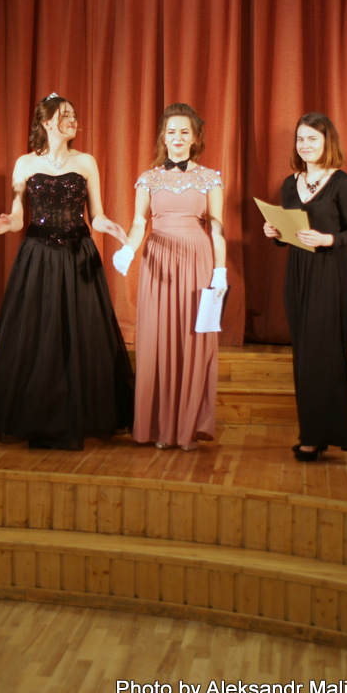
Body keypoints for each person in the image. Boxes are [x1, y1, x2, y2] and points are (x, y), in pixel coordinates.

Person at [0, 93, 134, 449]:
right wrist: (10, 222)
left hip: (78, 255)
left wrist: (108, 227)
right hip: (38, 256)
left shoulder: (86, 162)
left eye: (74, 115)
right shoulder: (25, 164)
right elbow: (19, 215)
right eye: (65, 115)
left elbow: (97, 215)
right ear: (46, 123)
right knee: (39, 335)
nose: (73, 120)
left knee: (80, 334)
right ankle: (38, 417)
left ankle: (78, 416)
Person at [111, 103, 227, 450]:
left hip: (197, 257)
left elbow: (217, 226)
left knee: (194, 339)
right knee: (157, 338)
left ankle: (187, 427)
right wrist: (128, 250)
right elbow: (138, 223)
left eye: (184, 132)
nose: (177, 137)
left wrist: (220, 270)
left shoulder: (210, 178)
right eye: (171, 131)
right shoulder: (148, 178)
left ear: (195, 138)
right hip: (158, 259)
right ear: (163, 136)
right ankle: (160, 427)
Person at [262, 112, 347, 461]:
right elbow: (287, 237)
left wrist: (327, 239)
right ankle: (312, 433)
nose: (305, 145)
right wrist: (275, 233)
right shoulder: (290, 184)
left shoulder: (343, 183)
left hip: (329, 272)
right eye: (300, 139)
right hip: (297, 273)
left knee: (325, 354)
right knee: (305, 356)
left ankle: (320, 435)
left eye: (312, 139)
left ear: (327, 142)